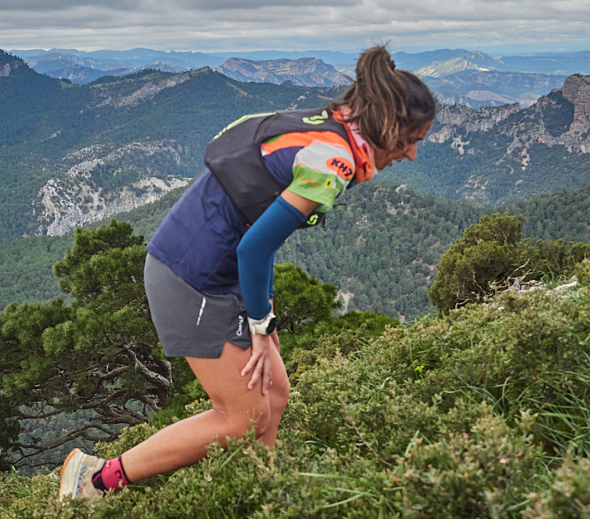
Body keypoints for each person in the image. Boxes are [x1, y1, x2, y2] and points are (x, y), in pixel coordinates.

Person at [57, 45, 436, 501]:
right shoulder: (331, 164)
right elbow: (255, 246)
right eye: (410, 139)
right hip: (190, 278)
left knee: (273, 394)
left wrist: (265, 312)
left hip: (213, 270)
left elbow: (253, 228)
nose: (412, 154)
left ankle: (258, 497)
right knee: (242, 418)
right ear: (387, 125)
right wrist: (259, 325)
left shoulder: (327, 126)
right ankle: (95, 482)